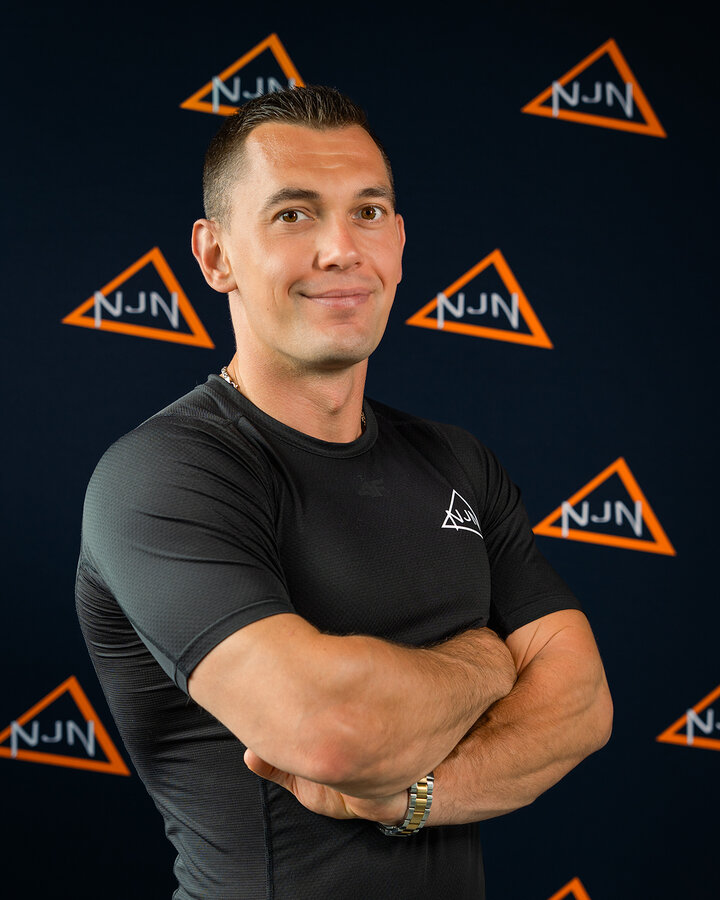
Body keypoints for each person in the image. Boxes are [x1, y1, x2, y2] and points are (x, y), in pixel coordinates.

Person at [76, 85, 612, 899]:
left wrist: (414, 798)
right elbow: (330, 731)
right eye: (294, 215)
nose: (340, 249)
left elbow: (581, 704)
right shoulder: (162, 475)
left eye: (368, 212)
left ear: (398, 241)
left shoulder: (457, 461)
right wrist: (485, 658)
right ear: (216, 256)